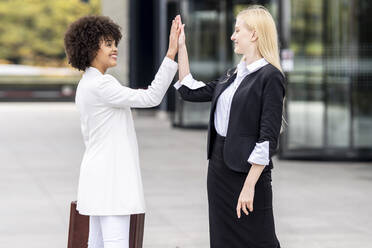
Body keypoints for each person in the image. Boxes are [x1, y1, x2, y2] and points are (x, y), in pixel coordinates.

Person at [64, 15, 181, 248]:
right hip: (112, 180)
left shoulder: (87, 83)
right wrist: (170, 54)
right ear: (90, 48)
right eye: (108, 44)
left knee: (96, 243)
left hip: (96, 177)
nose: (114, 48)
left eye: (114, 43)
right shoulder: (102, 85)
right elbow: (151, 97)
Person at [174, 6, 284, 248]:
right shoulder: (232, 75)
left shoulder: (270, 76)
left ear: (254, 34)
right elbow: (190, 91)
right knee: (222, 238)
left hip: (248, 174)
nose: (233, 36)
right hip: (219, 168)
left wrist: (248, 187)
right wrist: (181, 47)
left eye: (237, 30)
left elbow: (267, 139)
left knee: (260, 239)